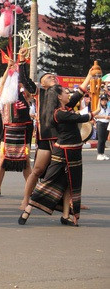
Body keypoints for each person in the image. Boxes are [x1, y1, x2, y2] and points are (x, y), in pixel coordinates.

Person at [18, 85, 96, 226]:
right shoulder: (58, 113)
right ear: (59, 97)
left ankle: (66, 216)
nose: (68, 95)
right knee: (48, 181)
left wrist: (89, 77)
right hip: (63, 152)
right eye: (66, 93)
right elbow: (83, 117)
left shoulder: (64, 109)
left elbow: (77, 97)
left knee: (69, 184)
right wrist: (94, 112)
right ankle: (27, 209)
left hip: (74, 151)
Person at [0, 53, 36, 197]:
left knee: (27, 162)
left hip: (24, 131)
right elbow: (3, 82)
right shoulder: (5, 94)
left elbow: (26, 82)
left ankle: (31, 189)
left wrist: (20, 68)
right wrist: (8, 68)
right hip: (8, 130)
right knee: (2, 160)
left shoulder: (26, 94)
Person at [95, 94, 109, 160]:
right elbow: (95, 116)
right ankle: (99, 154)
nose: (104, 101)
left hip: (107, 123)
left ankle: (102, 153)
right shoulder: (98, 107)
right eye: (102, 100)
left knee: (104, 139)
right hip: (100, 123)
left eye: (105, 100)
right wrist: (104, 117)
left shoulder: (108, 107)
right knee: (100, 139)